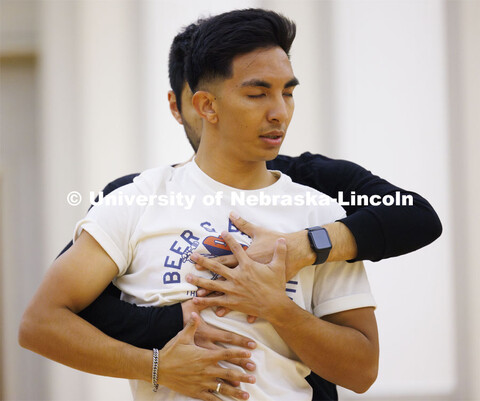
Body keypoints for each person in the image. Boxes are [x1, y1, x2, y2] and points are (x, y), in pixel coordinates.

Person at [61, 15, 443, 401]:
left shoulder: (315, 193)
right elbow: (62, 314)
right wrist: (173, 335)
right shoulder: (134, 197)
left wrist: (300, 251)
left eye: (285, 93)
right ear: (191, 105)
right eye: (256, 93)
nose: (277, 111)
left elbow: (415, 215)